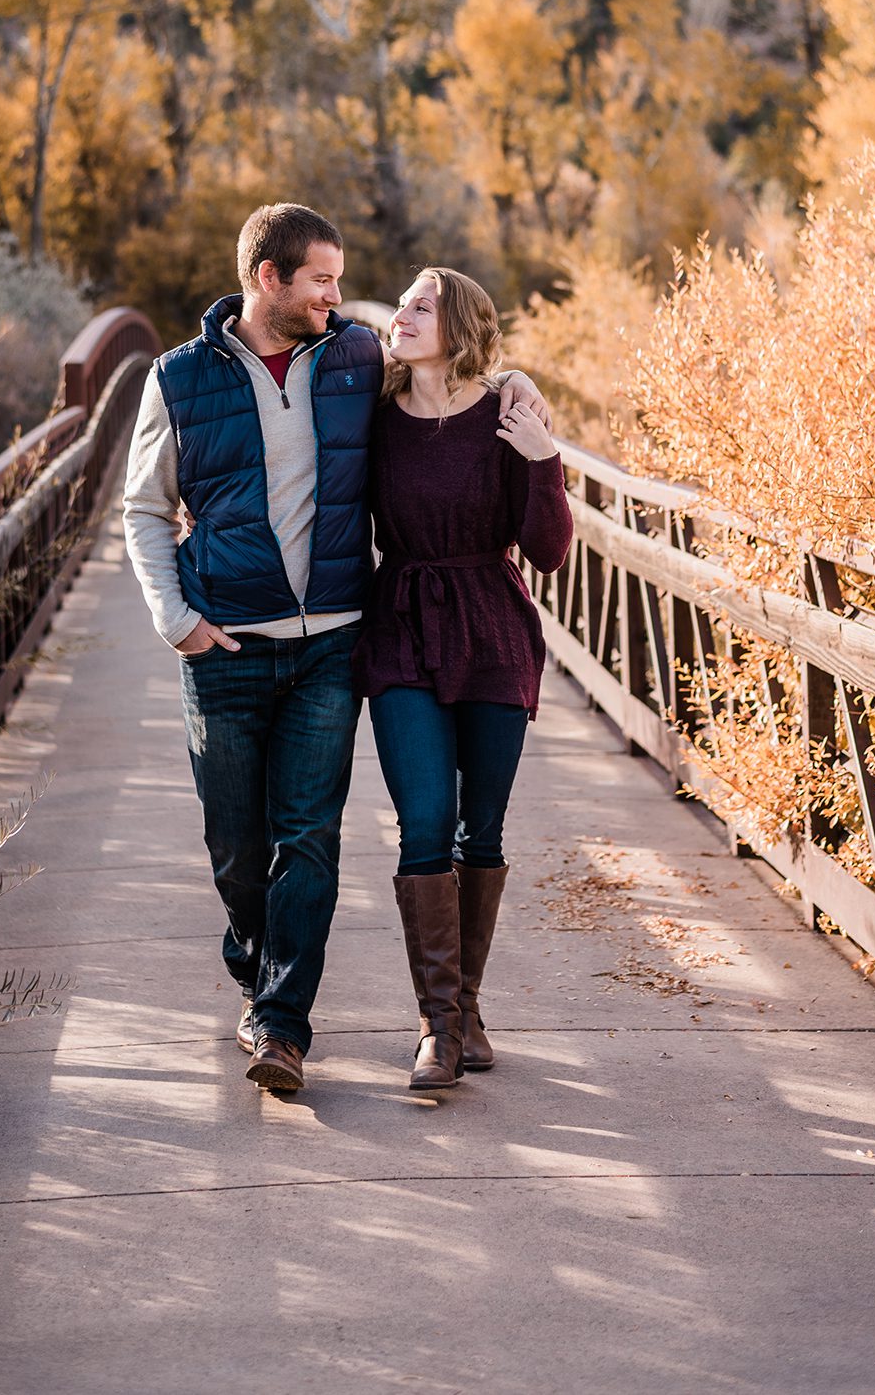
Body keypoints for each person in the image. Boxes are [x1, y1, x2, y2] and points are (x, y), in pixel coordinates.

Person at [122, 204, 548, 1095]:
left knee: (309, 838)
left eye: (344, 283)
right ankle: (258, 972)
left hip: (336, 644)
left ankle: (288, 1026)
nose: (340, 297)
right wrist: (176, 619)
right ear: (268, 278)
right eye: (322, 280)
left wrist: (512, 386)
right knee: (237, 848)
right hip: (224, 646)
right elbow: (142, 510)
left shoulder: (354, 360)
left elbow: (458, 387)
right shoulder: (178, 379)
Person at [351, 267, 573, 1091]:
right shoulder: (373, 417)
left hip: (492, 632)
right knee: (424, 826)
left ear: (463, 326)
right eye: (401, 305)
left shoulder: (509, 414)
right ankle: (437, 1029)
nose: (402, 316)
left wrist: (544, 461)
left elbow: (548, 551)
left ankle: (468, 1006)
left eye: (422, 307)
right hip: (402, 626)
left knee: (483, 833)